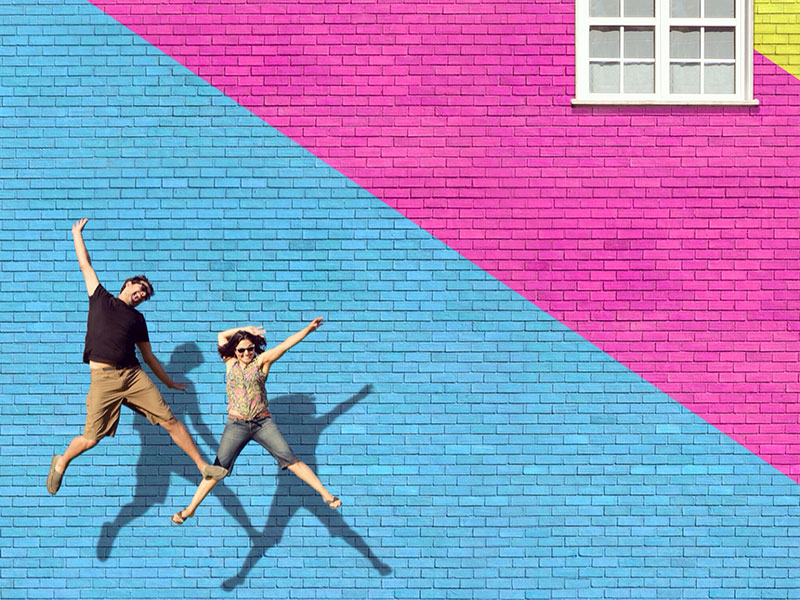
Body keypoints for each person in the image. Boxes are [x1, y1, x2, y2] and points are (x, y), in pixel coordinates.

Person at [46, 218, 227, 495]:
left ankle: (203, 466)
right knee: (91, 438)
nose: (142, 295)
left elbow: (149, 356)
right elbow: (86, 265)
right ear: (128, 284)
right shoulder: (100, 297)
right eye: (140, 289)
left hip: (133, 375)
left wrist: (167, 382)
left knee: (170, 421)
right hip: (103, 378)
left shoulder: (138, 319)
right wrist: (76, 235)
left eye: (145, 294)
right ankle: (61, 462)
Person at [171, 319, 342, 525]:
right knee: (218, 468)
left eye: (250, 349)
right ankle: (190, 509)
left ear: (255, 348)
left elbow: (286, 344)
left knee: (291, 459)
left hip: (262, 423)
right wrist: (245, 330)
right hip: (236, 424)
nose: (246, 354)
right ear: (235, 350)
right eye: (241, 350)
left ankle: (326, 494)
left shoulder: (262, 362)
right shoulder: (229, 362)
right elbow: (221, 335)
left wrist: (307, 329)